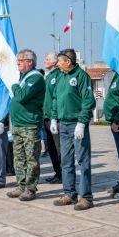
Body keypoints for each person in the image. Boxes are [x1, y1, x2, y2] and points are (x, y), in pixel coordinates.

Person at [49, 49, 97, 210]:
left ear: (68, 61)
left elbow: (88, 101)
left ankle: (86, 197)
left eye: (60, 61)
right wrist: (54, 118)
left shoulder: (81, 77)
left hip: (76, 125)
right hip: (63, 124)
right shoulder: (60, 76)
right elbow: (55, 99)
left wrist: (82, 122)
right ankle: (69, 193)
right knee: (66, 161)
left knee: (83, 161)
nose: (58, 64)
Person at [7, 49, 46, 202]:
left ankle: (30, 188)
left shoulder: (35, 78)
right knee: (19, 157)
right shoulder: (23, 77)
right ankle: (21, 185)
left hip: (30, 124)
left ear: (30, 62)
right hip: (18, 124)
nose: (17, 63)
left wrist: (15, 85)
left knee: (31, 158)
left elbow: (22, 96)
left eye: (20, 61)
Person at [42, 52, 62, 184]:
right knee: (51, 148)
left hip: (55, 118)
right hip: (46, 117)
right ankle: (57, 173)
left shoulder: (59, 75)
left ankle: (63, 174)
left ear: (55, 62)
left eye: (47, 59)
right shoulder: (48, 76)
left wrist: (55, 117)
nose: (45, 61)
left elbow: (57, 97)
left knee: (58, 147)